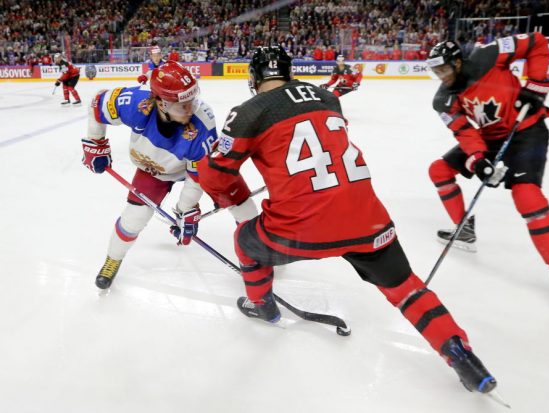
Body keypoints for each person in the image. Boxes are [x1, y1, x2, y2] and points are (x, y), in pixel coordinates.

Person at [197, 46, 499, 395]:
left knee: (245, 240)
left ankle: (262, 305)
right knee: (406, 288)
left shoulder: (247, 112)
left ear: (253, 79)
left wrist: (224, 189)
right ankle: (460, 353)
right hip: (367, 220)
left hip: (301, 227)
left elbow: (218, 176)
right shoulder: (327, 97)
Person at [426, 35, 549, 311]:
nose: (441, 77)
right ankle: (464, 230)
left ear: (458, 62)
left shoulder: (489, 55)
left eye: (444, 70)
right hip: (489, 138)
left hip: (526, 130)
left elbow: (537, 42)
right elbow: (464, 130)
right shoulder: (443, 100)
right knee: (439, 170)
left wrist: (536, 86)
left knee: (527, 196)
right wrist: (478, 160)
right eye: (435, 72)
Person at [81, 61, 257, 289]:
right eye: (182, 105)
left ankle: (260, 252)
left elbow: (198, 176)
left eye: (192, 100)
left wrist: (185, 210)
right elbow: (97, 104)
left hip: (200, 169)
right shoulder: (136, 103)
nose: (191, 109)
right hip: (154, 169)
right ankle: (112, 259)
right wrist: (95, 142)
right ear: (161, 103)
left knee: (240, 202)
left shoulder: (202, 123)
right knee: (133, 218)